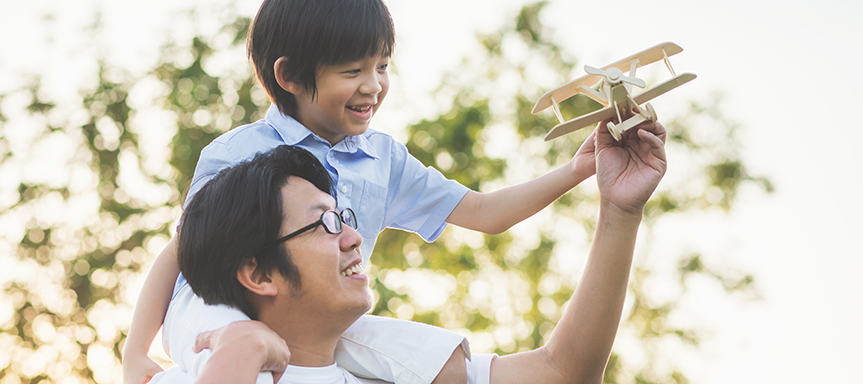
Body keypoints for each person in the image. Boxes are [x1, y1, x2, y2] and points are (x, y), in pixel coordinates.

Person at [122, 0, 599, 382]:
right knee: (235, 350)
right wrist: (135, 350)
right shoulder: (240, 152)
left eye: (383, 66)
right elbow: (183, 250)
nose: (373, 86)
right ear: (288, 76)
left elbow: (483, 211)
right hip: (214, 307)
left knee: (430, 357)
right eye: (352, 72)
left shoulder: (383, 160)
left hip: (317, 317)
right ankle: (239, 350)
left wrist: (579, 169)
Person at [157, 117, 667, 384]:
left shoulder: (398, 374)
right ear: (259, 275)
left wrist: (619, 211)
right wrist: (239, 352)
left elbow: (563, 374)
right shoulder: (200, 375)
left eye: (345, 218)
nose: (354, 237)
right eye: (324, 224)